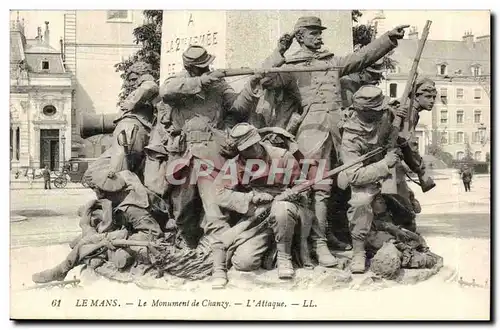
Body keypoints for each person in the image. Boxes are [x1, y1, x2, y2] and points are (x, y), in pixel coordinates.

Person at [264, 16, 409, 249]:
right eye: (314, 33)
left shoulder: (331, 62)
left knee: (340, 186)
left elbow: (361, 58)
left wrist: (388, 38)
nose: (319, 36)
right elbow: (265, 78)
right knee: (317, 189)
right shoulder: (290, 66)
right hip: (311, 134)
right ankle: (318, 243)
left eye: (320, 32)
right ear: (300, 36)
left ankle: (333, 234)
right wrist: (279, 52)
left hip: (337, 132)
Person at [143, 45, 265, 248]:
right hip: (183, 154)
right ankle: (188, 243)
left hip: (211, 151)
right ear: (189, 67)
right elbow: (166, 92)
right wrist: (201, 82)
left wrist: (251, 85)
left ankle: (218, 254)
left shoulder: (218, 85)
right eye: (201, 67)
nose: (206, 69)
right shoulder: (176, 81)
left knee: (215, 207)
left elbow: (238, 108)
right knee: (183, 209)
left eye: (206, 66)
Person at [211, 123, 338, 286]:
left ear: (258, 140)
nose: (253, 150)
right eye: (246, 148)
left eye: (254, 144)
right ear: (239, 150)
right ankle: (268, 252)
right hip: (259, 216)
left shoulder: (282, 156)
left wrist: (295, 194)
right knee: (244, 263)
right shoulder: (235, 164)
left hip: (289, 212)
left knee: (281, 209)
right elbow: (219, 193)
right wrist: (251, 198)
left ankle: (285, 258)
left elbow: (302, 185)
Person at [337, 85, 406, 274]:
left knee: (404, 201)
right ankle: (358, 251)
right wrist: (385, 164)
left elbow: (390, 114)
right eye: (377, 109)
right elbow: (355, 175)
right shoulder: (350, 137)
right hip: (362, 179)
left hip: (384, 172)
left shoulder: (382, 114)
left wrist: (399, 113)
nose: (382, 111)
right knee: (361, 202)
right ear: (363, 111)